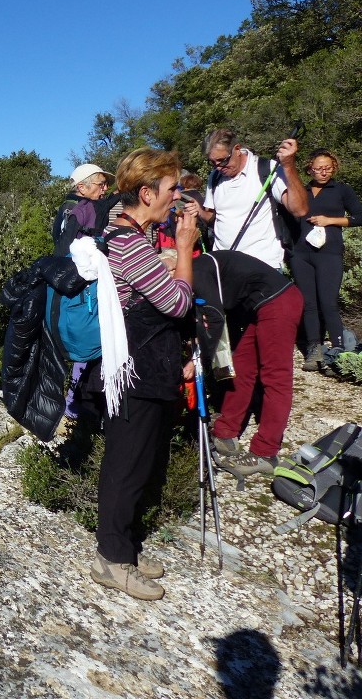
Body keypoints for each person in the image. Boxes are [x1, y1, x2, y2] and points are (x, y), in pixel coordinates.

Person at [88, 148, 199, 601]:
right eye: (172, 190)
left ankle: (125, 548)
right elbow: (176, 303)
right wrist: (187, 250)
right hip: (132, 370)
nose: (177, 198)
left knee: (140, 462)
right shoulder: (127, 241)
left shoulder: (137, 236)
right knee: (126, 465)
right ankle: (110, 560)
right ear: (148, 192)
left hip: (149, 365)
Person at [192, 251, 304, 480]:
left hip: (279, 301)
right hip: (261, 306)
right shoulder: (199, 267)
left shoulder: (197, 269)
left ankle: (266, 453)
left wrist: (199, 361)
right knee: (242, 367)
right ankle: (226, 431)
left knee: (275, 377)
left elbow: (215, 318)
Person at [287, 149, 362, 369]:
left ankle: (338, 350)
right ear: (309, 168)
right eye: (319, 168)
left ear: (334, 168)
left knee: (328, 302)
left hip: (329, 253)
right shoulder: (301, 190)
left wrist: (331, 220)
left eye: (328, 168)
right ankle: (314, 350)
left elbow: (359, 216)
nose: (323, 172)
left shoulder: (341, 190)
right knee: (308, 303)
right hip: (301, 254)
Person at [53, 164, 116, 421]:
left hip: (73, 285)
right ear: (82, 187)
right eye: (100, 184)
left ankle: (75, 402)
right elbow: (67, 248)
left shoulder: (72, 208)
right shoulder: (83, 210)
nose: (105, 189)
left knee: (84, 344)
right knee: (89, 342)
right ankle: (76, 403)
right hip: (82, 287)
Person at [199, 129, 309, 269]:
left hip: (263, 265)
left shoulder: (266, 169)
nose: (218, 167)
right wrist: (198, 211)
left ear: (237, 149)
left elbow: (300, 210)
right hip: (224, 265)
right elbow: (212, 218)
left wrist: (288, 166)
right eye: (213, 163)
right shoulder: (214, 177)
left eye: (222, 160)